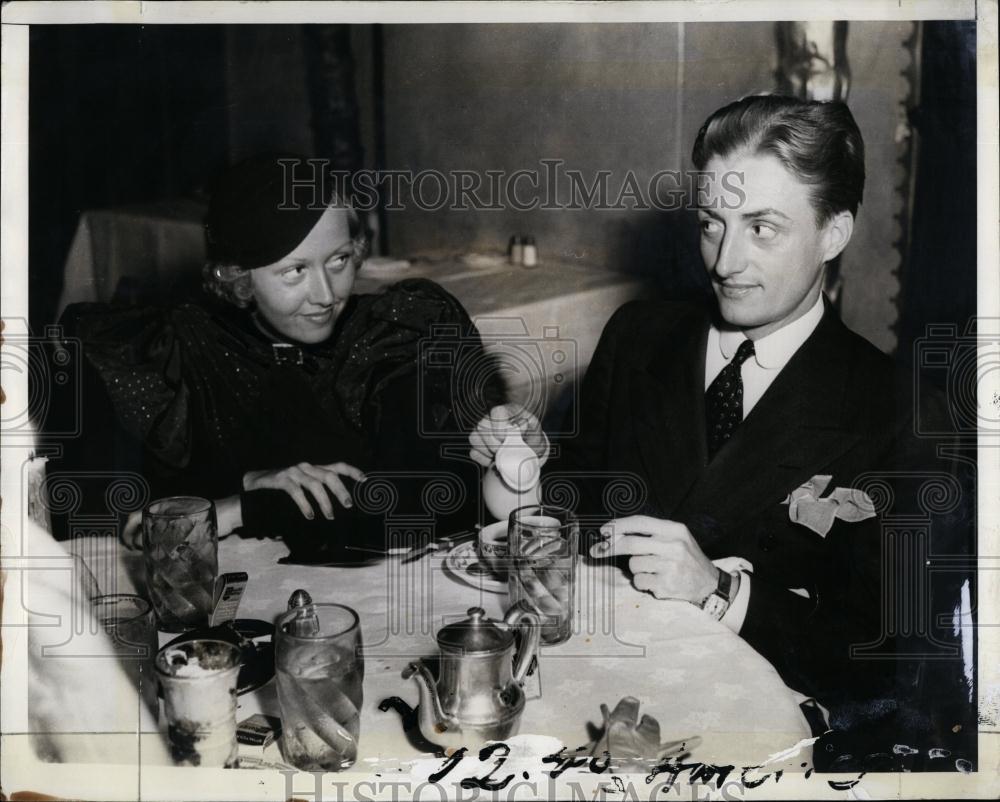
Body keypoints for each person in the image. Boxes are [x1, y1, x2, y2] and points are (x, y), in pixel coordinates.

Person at [472, 95, 975, 768]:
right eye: (712, 224)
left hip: (753, 745)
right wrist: (517, 468)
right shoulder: (638, 337)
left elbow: (898, 663)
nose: (726, 261)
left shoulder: (903, 413)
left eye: (762, 228)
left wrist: (720, 590)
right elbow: (572, 501)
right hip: (592, 698)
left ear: (834, 233)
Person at [49, 155, 504, 562]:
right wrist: (240, 490)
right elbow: (112, 529)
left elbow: (442, 500)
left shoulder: (397, 334)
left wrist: (248, 510)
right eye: (295, 271)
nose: (326, 295)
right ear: (240, 277)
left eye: (339, 260)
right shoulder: (171, 353)